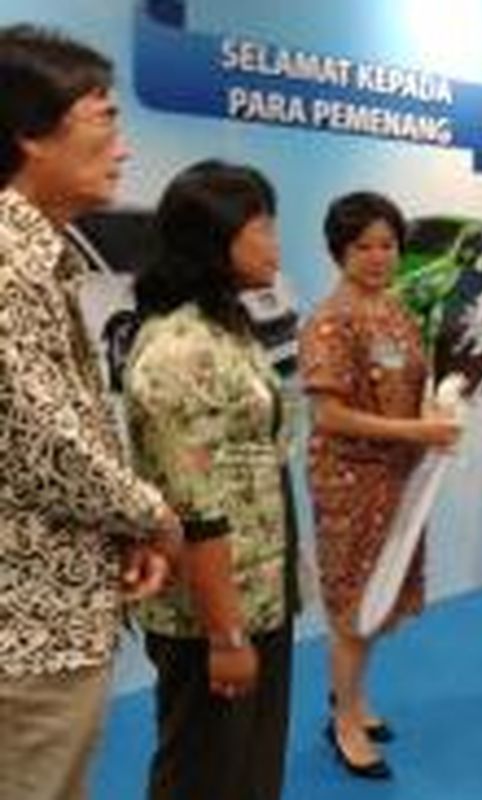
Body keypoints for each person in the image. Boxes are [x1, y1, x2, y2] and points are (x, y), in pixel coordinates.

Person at [0, 25, 181, 800]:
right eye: (103, 117)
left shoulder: (39, 259)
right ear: (28, 135)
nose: (123, 145)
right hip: (27, 634)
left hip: (49, 612)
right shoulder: (9, 266)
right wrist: (150, 515)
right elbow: (44, 445)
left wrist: (120, 527)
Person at [126, 160, 298, 800]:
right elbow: (196, 510)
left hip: (259, 589)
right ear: (215, 239)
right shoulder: (180, 350)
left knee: (250, 772)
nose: (276, 244)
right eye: (264, 227)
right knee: (204, 775)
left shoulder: (229, 326)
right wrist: (225, 635)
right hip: (211, 611)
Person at [300, 191, 461, 780]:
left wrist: (440, 412)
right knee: (355, 607)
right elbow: (329, 415)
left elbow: (415, 383)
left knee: (383, 597)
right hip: (349, 481)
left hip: (400, 476)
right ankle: (344, 725)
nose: (376, 257)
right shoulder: (330, 319)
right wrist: (417, 428)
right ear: (339, 250)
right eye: (362, 246)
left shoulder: (397, 311)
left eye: (387, 244)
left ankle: (354, 700)